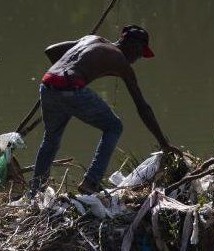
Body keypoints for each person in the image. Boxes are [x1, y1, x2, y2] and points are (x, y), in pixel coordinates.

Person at [29, 25, 179, 195]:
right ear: (133, 46)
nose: (137, 58)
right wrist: (164, 143)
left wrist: (75, 73)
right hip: (71, 89)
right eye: (139, 53)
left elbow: (51, 51)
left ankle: (35, 192)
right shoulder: (120, 61)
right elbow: (142, 107)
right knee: (114, 126)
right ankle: (90, 182)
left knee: (50, 138)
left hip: (47, 85)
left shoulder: (90, 39)